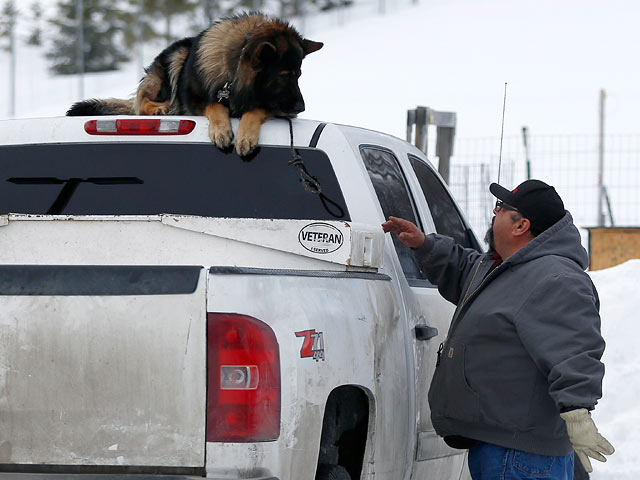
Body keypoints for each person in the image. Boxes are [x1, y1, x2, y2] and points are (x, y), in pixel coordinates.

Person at [382, 179, 614, 480]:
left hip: (522, 454)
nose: (494, 214)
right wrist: (423, 244)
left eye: (501, 208)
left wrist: (577, 410)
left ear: (521, 226)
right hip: (503, 446)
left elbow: (575, 348)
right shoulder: (504, 268)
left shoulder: (555, 278)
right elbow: (466, 271)